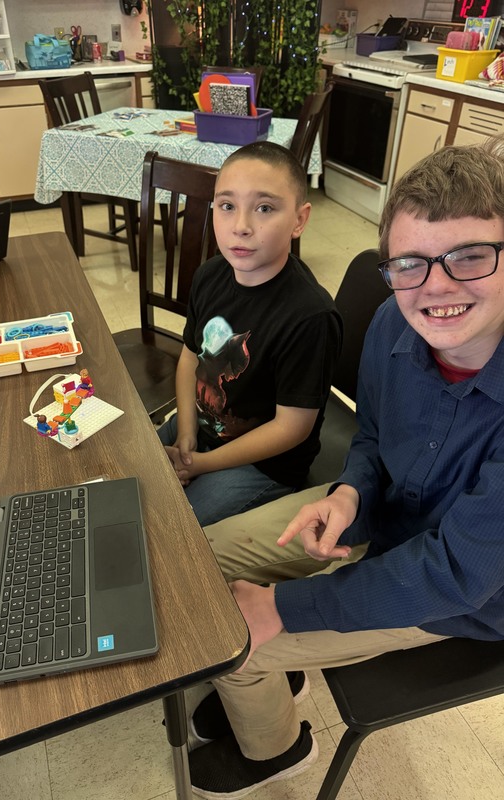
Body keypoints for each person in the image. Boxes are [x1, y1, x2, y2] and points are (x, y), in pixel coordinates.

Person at [187, 135, 504, 798]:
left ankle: (273, 750)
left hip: (465, 597)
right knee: (200, 562)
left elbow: (453, 578)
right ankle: (273, 682)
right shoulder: (393, 323)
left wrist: (284, 607)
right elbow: (371, 437)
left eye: (470, 257)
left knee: (231, 638)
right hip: (385, 519)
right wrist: (350, 497)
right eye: (411, 262)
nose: (436, 287)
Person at [157, 141, 342, 526]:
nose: (240, 226)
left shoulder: (310, 316)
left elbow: (291, 428)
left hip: (263, 465)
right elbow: (191, 356)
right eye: (227, 206)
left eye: (264, 208)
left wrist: (201, 464)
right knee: (131, 475)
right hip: (203, 428)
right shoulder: (210, 275)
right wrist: (188, 436)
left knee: (173, 525)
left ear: (299, 220)